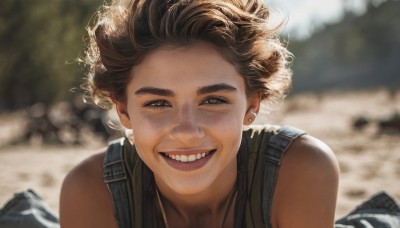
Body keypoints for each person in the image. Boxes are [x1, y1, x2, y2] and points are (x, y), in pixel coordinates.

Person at [59, 0, 339, 227]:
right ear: (124, 111)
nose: (186, 132)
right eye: (157, 103)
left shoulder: (299, 170)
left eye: (213, 100)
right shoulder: (92, 191)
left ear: (253, 104)